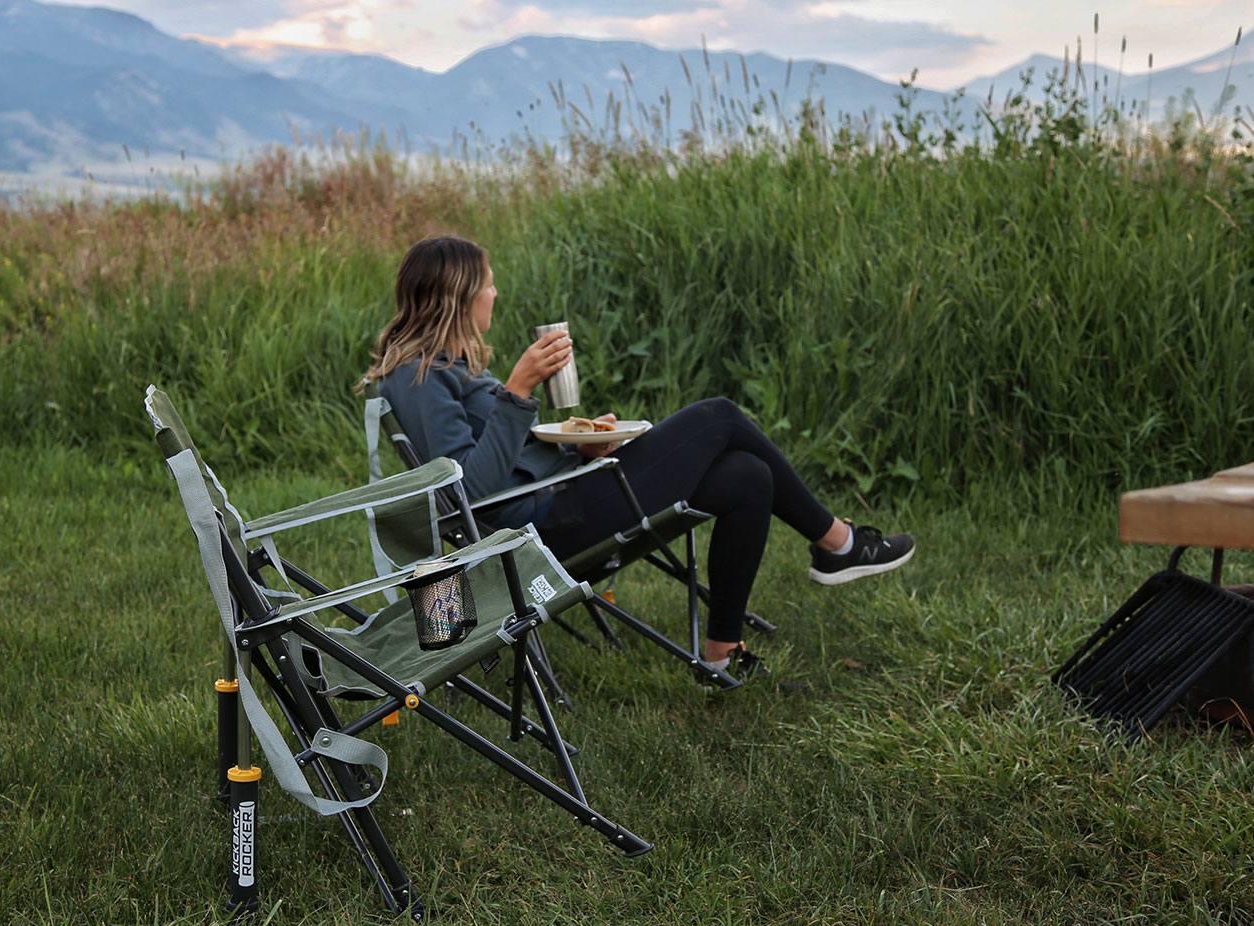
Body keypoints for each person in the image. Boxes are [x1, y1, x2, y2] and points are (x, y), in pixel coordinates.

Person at [362, 234, 914, 672]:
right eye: (487, 283)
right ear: (458, 296)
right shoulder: (420, 379)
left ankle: (722, 651)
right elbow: (472, 494)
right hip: (546, 530)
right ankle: (837, 543)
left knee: (746, 476)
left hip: (563, 498)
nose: (495, 293)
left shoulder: (446, 370)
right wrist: (519, 390)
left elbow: (501, 459)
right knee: (718, 415)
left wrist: (583, 446)